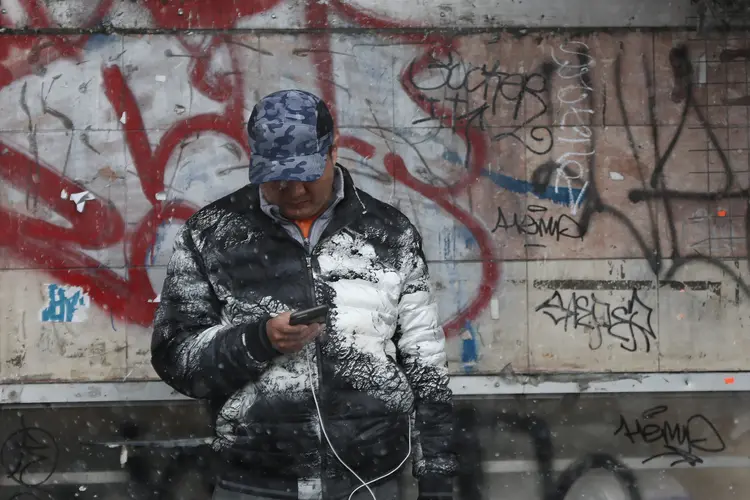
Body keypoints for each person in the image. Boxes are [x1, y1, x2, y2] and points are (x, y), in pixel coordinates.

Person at [151, 89, 457, 500]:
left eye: (305, 175)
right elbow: (174, 355)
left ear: (333, 150)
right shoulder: (212, 234)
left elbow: (424, 360)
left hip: (371, 478)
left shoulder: (389, 233)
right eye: (277, 178)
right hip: (253, 479)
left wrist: (436, 474)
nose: (293, 191)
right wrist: (258, 340)